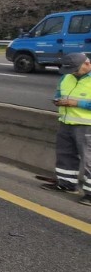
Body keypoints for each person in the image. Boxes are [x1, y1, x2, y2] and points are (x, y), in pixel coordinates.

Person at [42, 52, 91, 206]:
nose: (72, 73)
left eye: (75, 70)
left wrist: (76, 104)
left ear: (87, 64)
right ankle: (67, 184)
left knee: (89, 160)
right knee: (65, 155)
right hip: (66, 122)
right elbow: (59, 93)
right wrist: (58, 101)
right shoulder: (66, 77)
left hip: (87, 125)